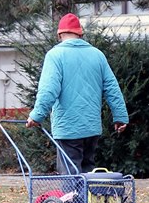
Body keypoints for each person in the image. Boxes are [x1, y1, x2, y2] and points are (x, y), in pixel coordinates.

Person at [26, 14, 129, 172]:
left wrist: (37, 115)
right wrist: (120, 116)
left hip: (68, 128)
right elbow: (112, 88)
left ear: (59, 34)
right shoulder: (97, 55)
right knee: (88, 172)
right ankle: (88, 198)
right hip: (91, 127)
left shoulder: (55, 55)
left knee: (70, 176)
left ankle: (74, 198)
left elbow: (49, 89)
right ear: (80, 34)